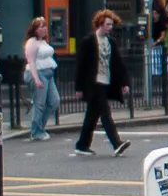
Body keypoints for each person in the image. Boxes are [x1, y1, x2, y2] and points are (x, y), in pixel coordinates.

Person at [73, 9, 132, 157]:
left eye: (111, 25)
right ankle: (116, 143)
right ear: (100, 24)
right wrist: (78, 87)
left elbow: (118, 64)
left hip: (106, 81)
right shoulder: (88, 41)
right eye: (108, 24)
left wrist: (125, 82)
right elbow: (81, 65)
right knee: (105, 113)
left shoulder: (110, 42)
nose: (110, 27)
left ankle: (82, 145)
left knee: (92, 116)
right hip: (94, 83)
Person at [23, 16, 60, 140]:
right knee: (39, 104)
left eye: (45, 26)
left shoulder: (43, 42)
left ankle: (40, 127)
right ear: (35, 29)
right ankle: (36, 131)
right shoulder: (32, 42)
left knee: (54, 101)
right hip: (38, 73)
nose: (44, 29)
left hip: (48, 73)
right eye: (41, 27)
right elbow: (31, 61)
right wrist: (36, 79)